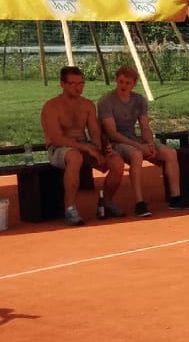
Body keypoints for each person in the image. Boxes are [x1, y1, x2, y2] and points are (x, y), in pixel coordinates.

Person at [97, 65, 189, 217]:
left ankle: (176, 198)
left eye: (127, 83)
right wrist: (140, 146)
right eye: (121, 82)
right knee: (137, 155)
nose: (123, 86)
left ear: (134, 84)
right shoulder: (106, 101)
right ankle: (140, 203)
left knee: (170, 153)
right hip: (115, 142)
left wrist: (150, 143)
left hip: (133, 137)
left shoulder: (139, 100)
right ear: (116, 81)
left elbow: (145, 126)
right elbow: (113, 134)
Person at [40, 65, 126, 226]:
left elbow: (94, 131)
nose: (78, 87)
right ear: (63, 84)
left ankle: (106, 202)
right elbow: (57, 138)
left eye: (81, 83)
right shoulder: (51, 107)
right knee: (75, 156)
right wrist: (87, 148)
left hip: (83, 144)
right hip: (59, 148)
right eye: (73, 84)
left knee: (116, 162)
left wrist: (99, 148)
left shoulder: (87, 105)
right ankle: (70, 208)